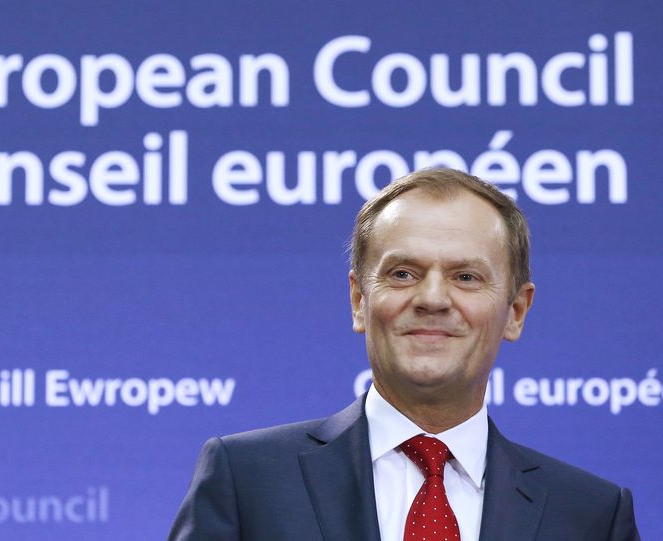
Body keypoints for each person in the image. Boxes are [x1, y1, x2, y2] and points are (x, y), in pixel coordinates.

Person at [168, 168, 641, 541]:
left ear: (516, 311)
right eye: (402, 274)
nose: (432, 298)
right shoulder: (247, 480)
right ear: (359, 300)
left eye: (466, 277)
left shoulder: (590, 515)